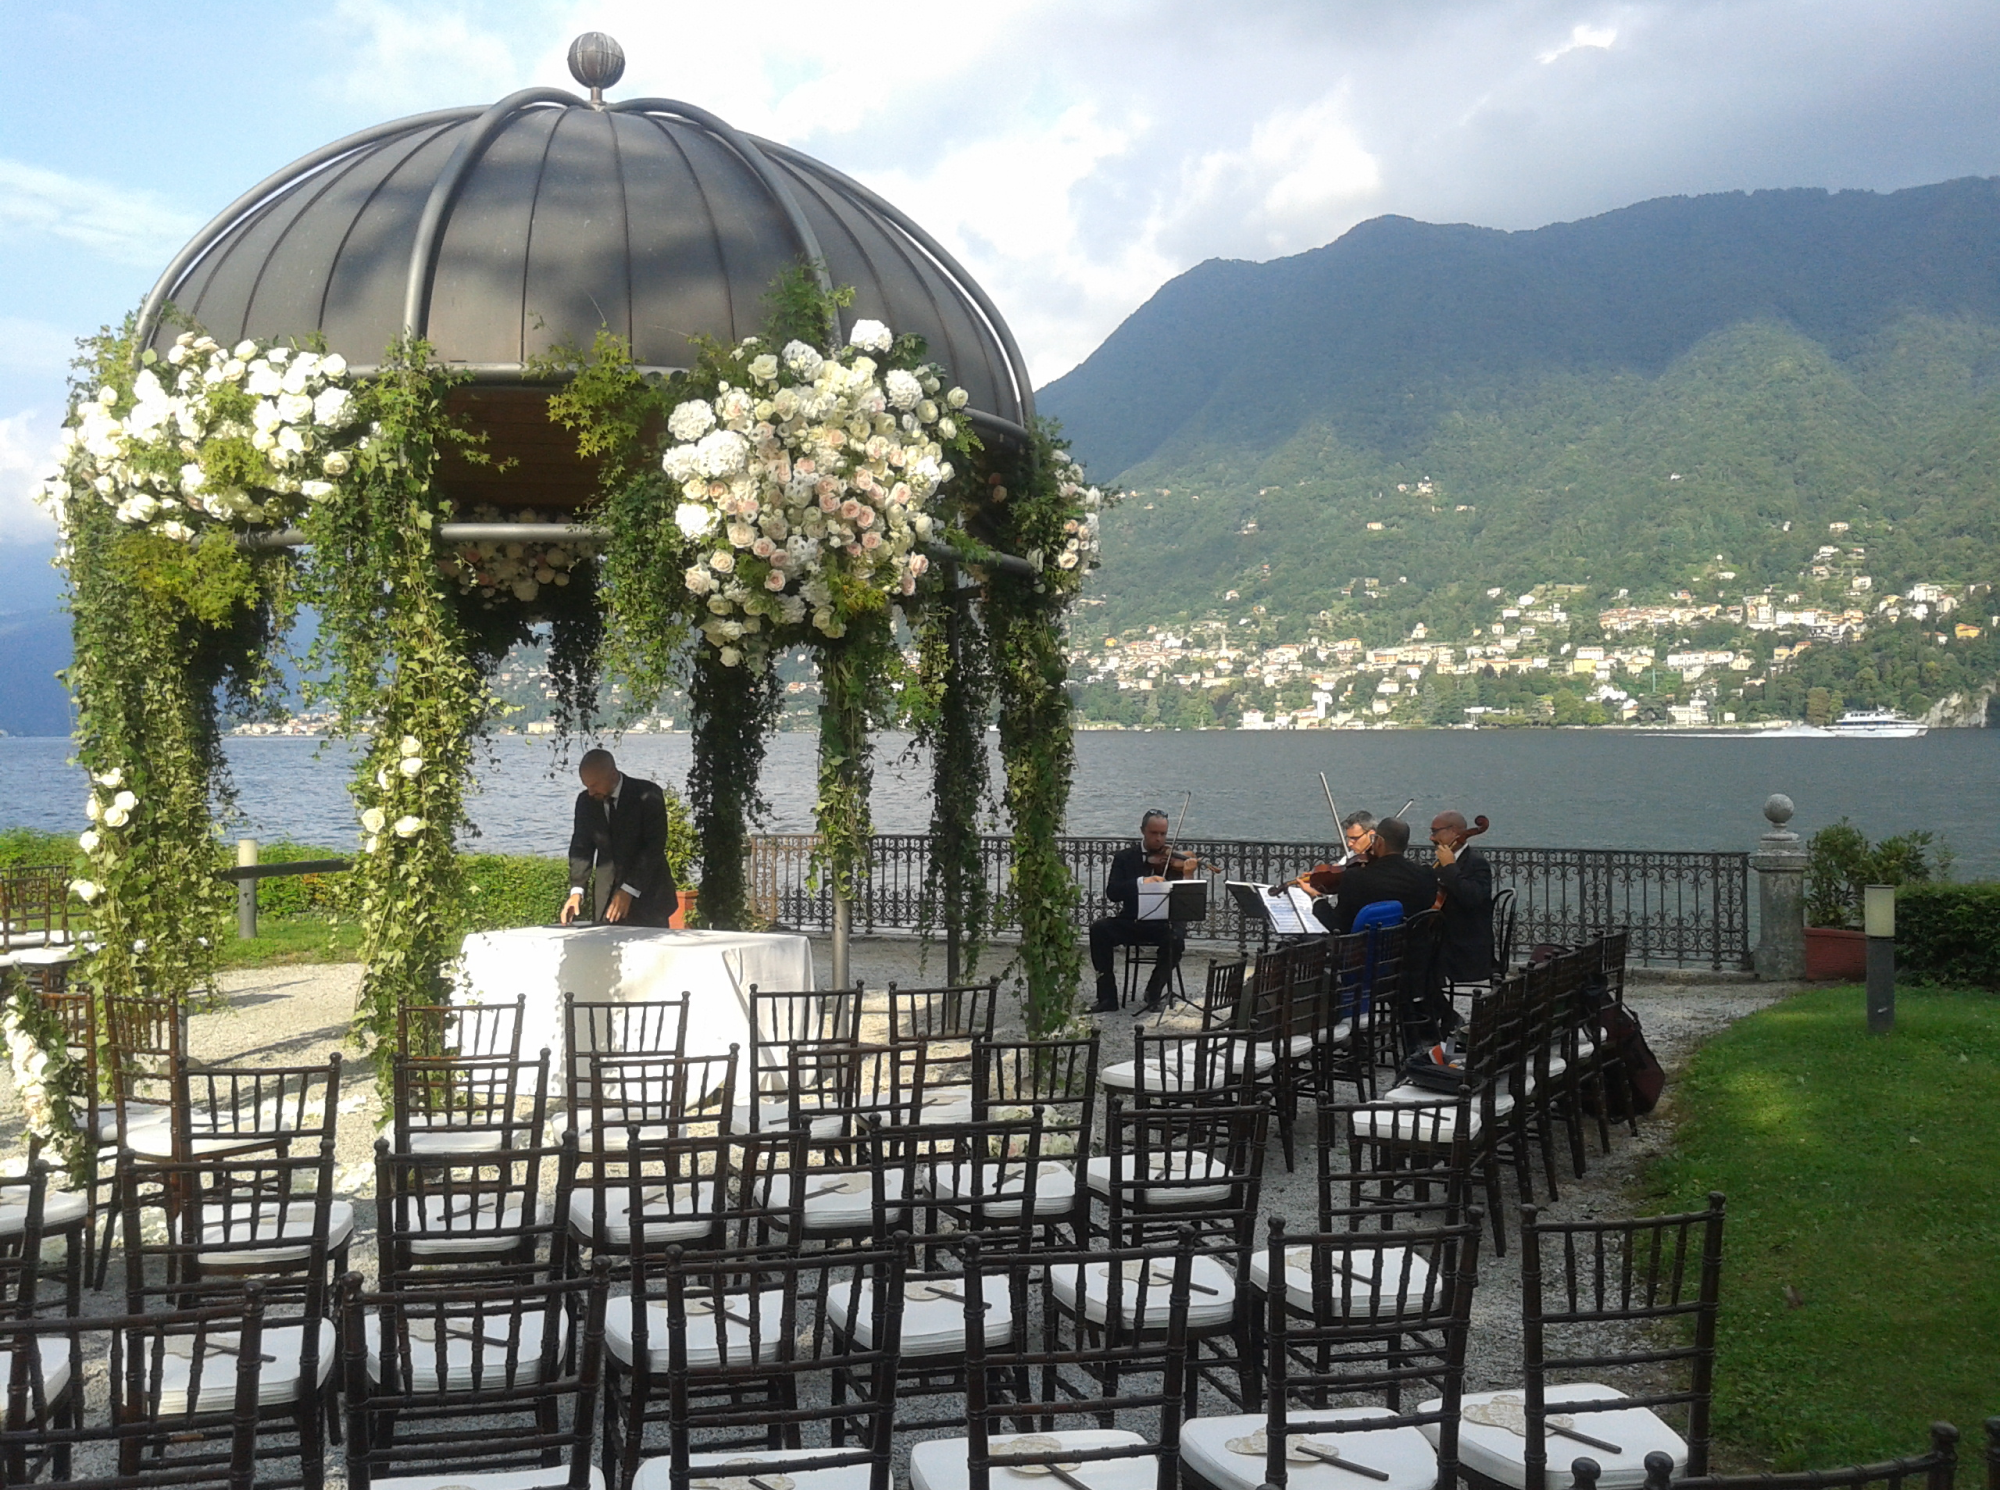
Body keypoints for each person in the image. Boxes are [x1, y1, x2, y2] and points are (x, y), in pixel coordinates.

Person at [560, 748, 676, 927]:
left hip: (649, 895)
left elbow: (653, 848)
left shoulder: (648, 794)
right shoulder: (585, 802)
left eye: (594, 785)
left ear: (613, 774)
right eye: (586, 786)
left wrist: (629, 889)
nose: (590, 792)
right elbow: (581, 847)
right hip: (606, 897)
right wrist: (577, 891)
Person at [1087, 809, 1185, 1014]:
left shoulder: (1173, 861)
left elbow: (1183, 897)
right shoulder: (1125, 858)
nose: (1159, 839)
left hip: (1162, 923)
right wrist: (1141, 882)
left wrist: (1188, 872)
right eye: (1153, 833)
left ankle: (1154, 991)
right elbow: (1113, 892)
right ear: (1142, 831)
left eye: (1163, 834)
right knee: (1099, 929)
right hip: (1132, 920)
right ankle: (1107, 997)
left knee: (1176, 938)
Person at [1323, 816, 1438, 932]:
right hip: (1413, 946)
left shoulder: (1355, 878)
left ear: (1379, 842)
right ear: (1405, 844)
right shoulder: (1426, 875)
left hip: (1366, 947)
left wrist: (1316, 899)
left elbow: (1338, 926)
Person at [1430, 810, 1495, 983]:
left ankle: (1432, 1005)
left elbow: (1471, 898)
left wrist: (1450, 866)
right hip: (1444, 940)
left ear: (1453, 832)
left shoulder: (1476, 863)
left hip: (1464, 945)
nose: (1432, 838)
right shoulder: (1441, 862)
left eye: (1435, 832)